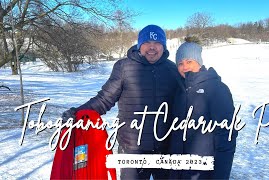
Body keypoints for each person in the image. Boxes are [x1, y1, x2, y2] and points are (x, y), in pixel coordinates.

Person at [62, 24, 180, 180]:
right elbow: (105, 98)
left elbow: (185, 102)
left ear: (163, 47)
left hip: (165, 148)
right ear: (139, 45)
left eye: (157, 43)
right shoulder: (124, 67)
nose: (152, 47)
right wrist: (78, 114)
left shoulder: (172, 69)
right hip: (132, 148)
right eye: (147, 43)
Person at [169, 37, 238, 179]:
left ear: (199, 62)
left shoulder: (216, 88)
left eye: (189, 61)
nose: (185, 66)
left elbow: (227, 136)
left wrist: (220, 176)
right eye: (180, 63)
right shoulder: (179, 90)